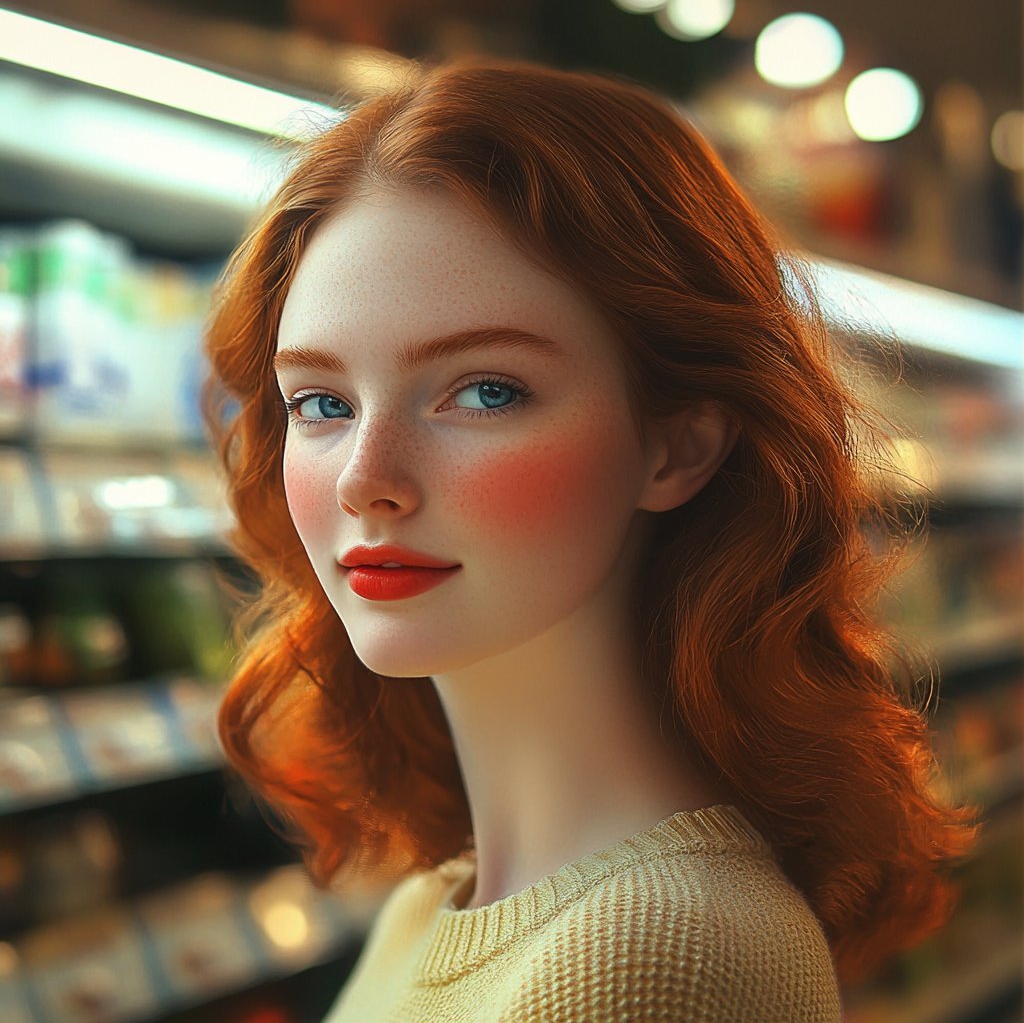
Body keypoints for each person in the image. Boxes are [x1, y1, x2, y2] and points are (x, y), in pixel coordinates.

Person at [203, 58, 983, 1022]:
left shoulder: (664, 957)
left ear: (678, 444)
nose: (367, 478)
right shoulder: (436, 901)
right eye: (321, 403)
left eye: (486, 391)